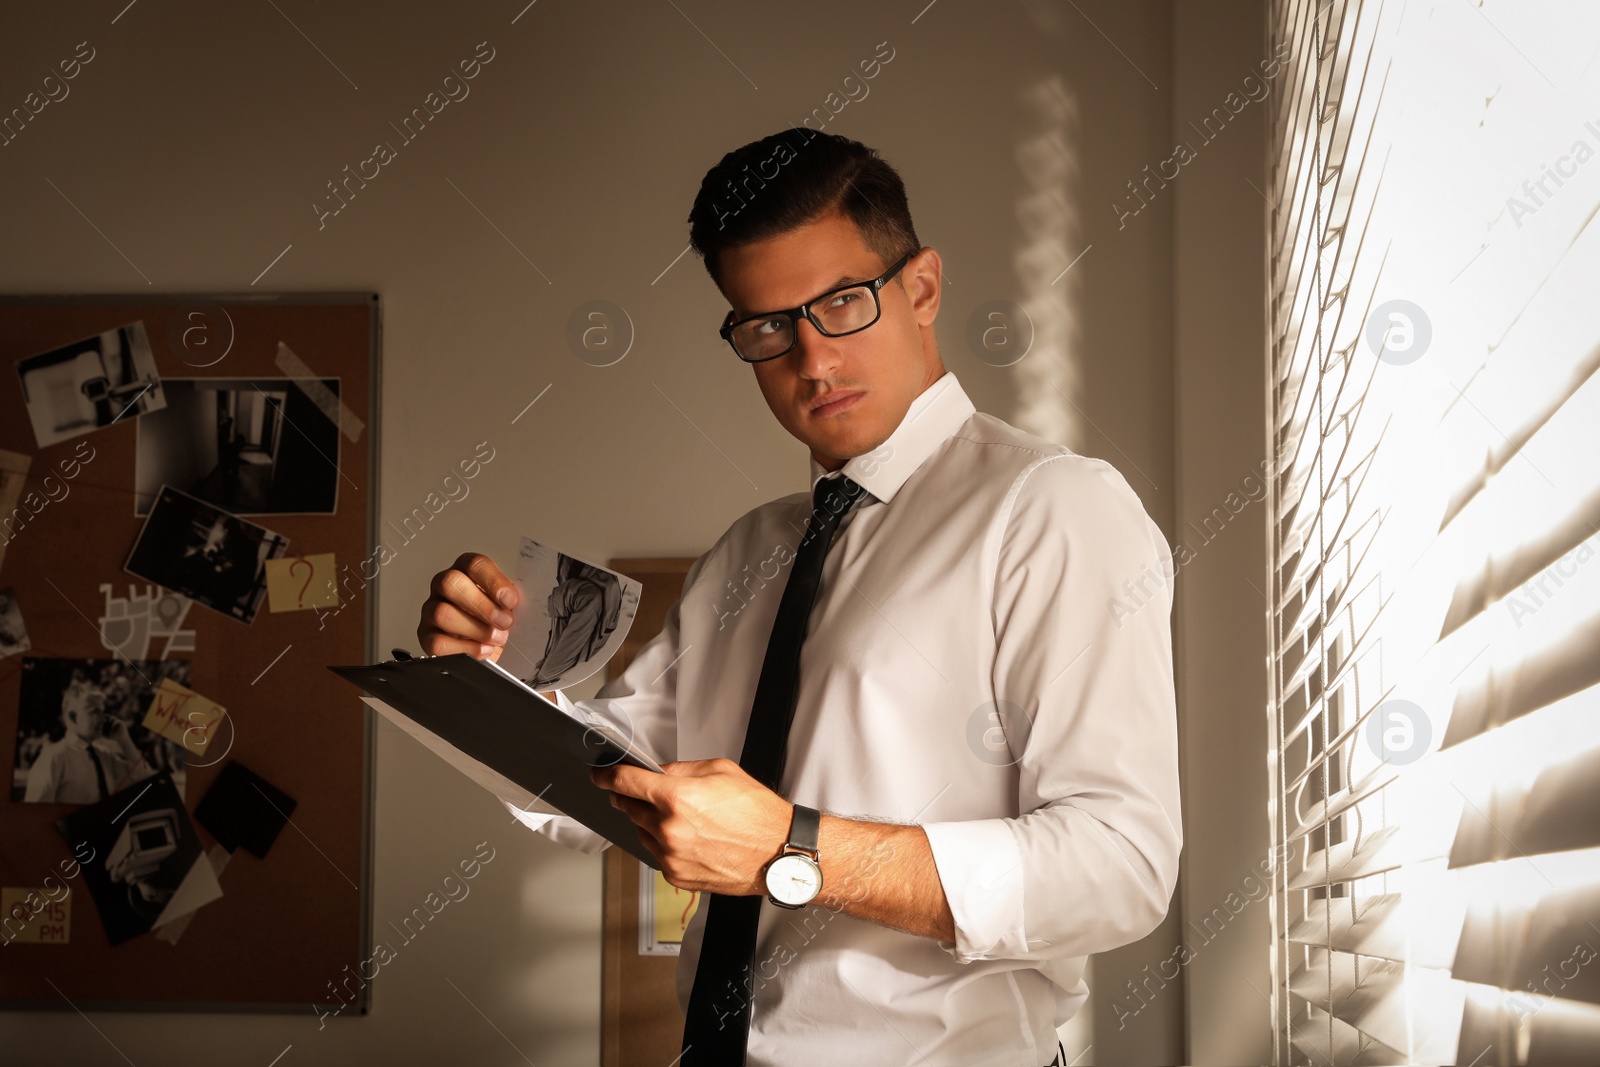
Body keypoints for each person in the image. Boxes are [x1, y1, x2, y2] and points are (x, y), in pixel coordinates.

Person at [417, 130, 1181, 1066]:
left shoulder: (1053, 509)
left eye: (843, 303)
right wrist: (475, 683)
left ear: (924, 288)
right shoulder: (753, 549)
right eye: (770, 325)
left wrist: (794, 846)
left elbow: (1119, 866)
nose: (811, 359)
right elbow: (615, 785)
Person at [24, 679, 156, 804]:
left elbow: (145, 781)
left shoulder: (104, 756)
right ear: (73, 717)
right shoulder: (54, 757)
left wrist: (124, 739)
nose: (103, 718)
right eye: (94, 712)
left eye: (103, 711)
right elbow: (35, 812)